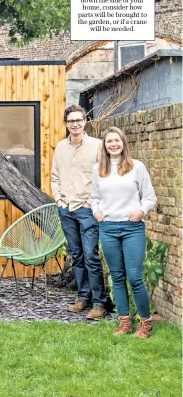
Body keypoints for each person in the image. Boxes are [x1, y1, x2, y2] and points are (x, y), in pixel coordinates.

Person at [91, 127, 157, 337]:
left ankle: (145, 324)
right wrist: (97, 212)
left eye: (117, 141)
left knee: (135, 277)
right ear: (105, 146)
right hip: (108, 228)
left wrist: (141, 211)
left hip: (132, 229)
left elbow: (149, 197)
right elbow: (94, 197)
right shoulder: (98, 169)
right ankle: (124, 323)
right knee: (117, 277)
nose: (113, 144)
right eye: (109, 141)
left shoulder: (137, 167)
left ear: (123, 143)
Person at [51, 104, 108, 320]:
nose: (75, 124)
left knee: (91, 255)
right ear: (66, 124)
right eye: (71, 121)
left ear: (85, 121)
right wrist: (58, 199)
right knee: (76, 255)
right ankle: (83, 297)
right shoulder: (60, 147)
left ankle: (99, 303)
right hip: (66, 209)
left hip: (87, 210)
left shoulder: (97, 146)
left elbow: (103, 176)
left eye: (79, 120)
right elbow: (55, 176)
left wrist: (92, 202)